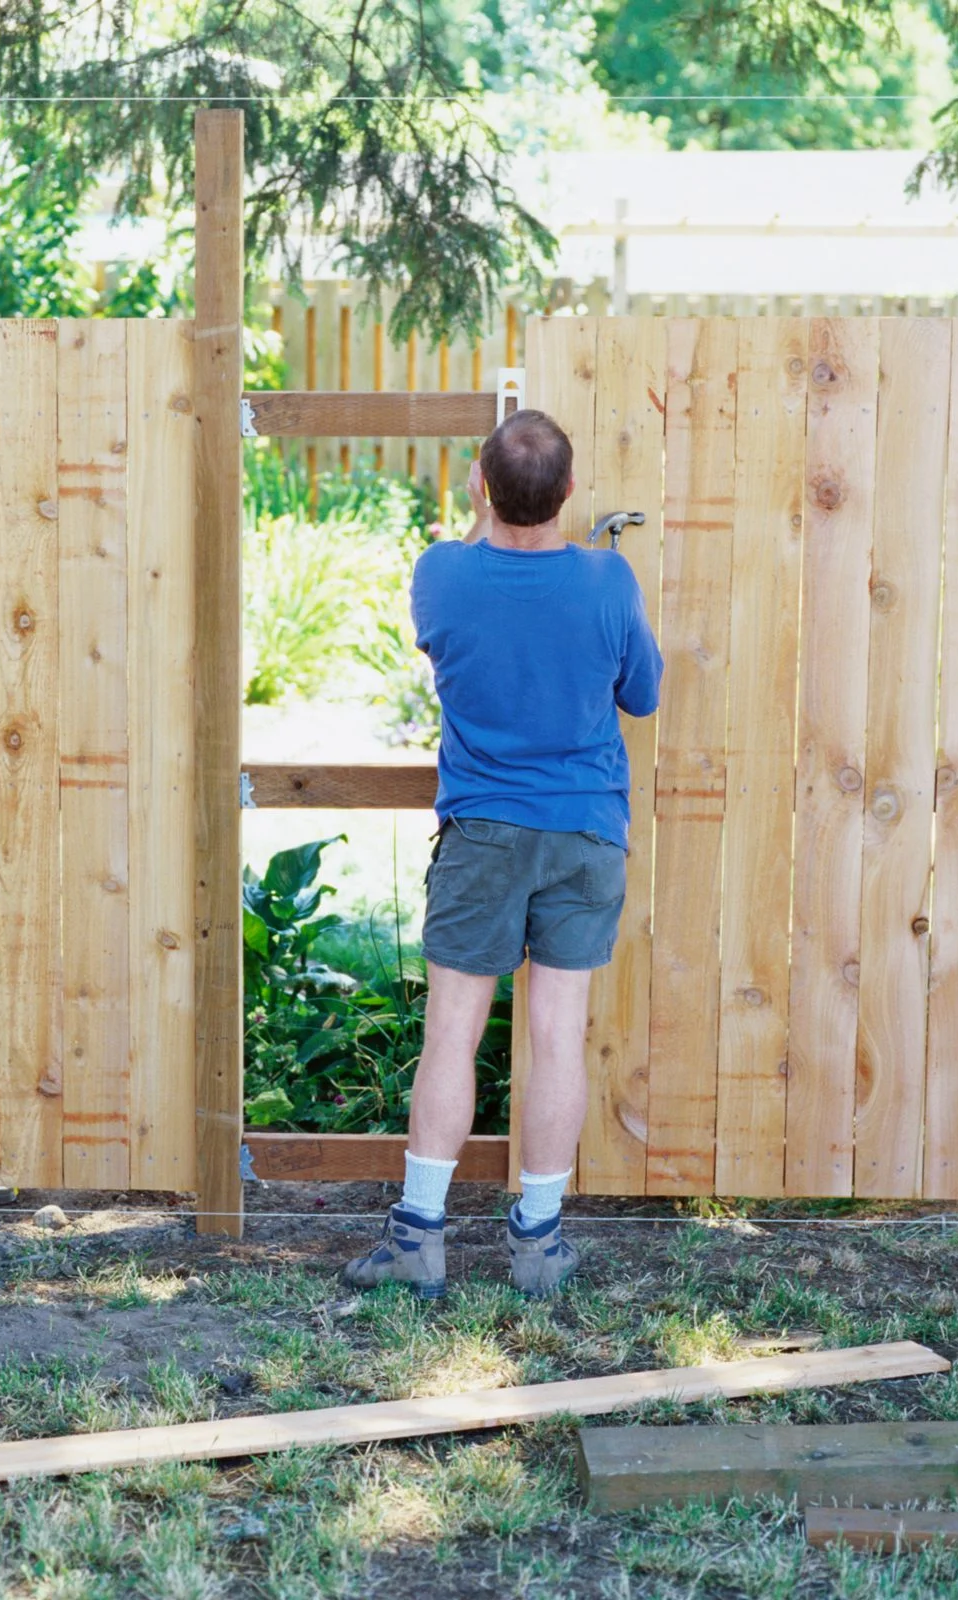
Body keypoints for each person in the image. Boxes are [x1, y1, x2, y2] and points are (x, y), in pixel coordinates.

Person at [344, 409, 661, 1300]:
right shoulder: (609, 582)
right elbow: (641, 693)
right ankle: (540, 1246)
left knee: (452, 1031)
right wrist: (590, 568)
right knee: (557, 1037)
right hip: (585, 834)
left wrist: (499, 521)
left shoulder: (440, 574)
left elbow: (481, 584)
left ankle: (417, 1239)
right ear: (568, 493)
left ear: (479, 486)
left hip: (481, 833)